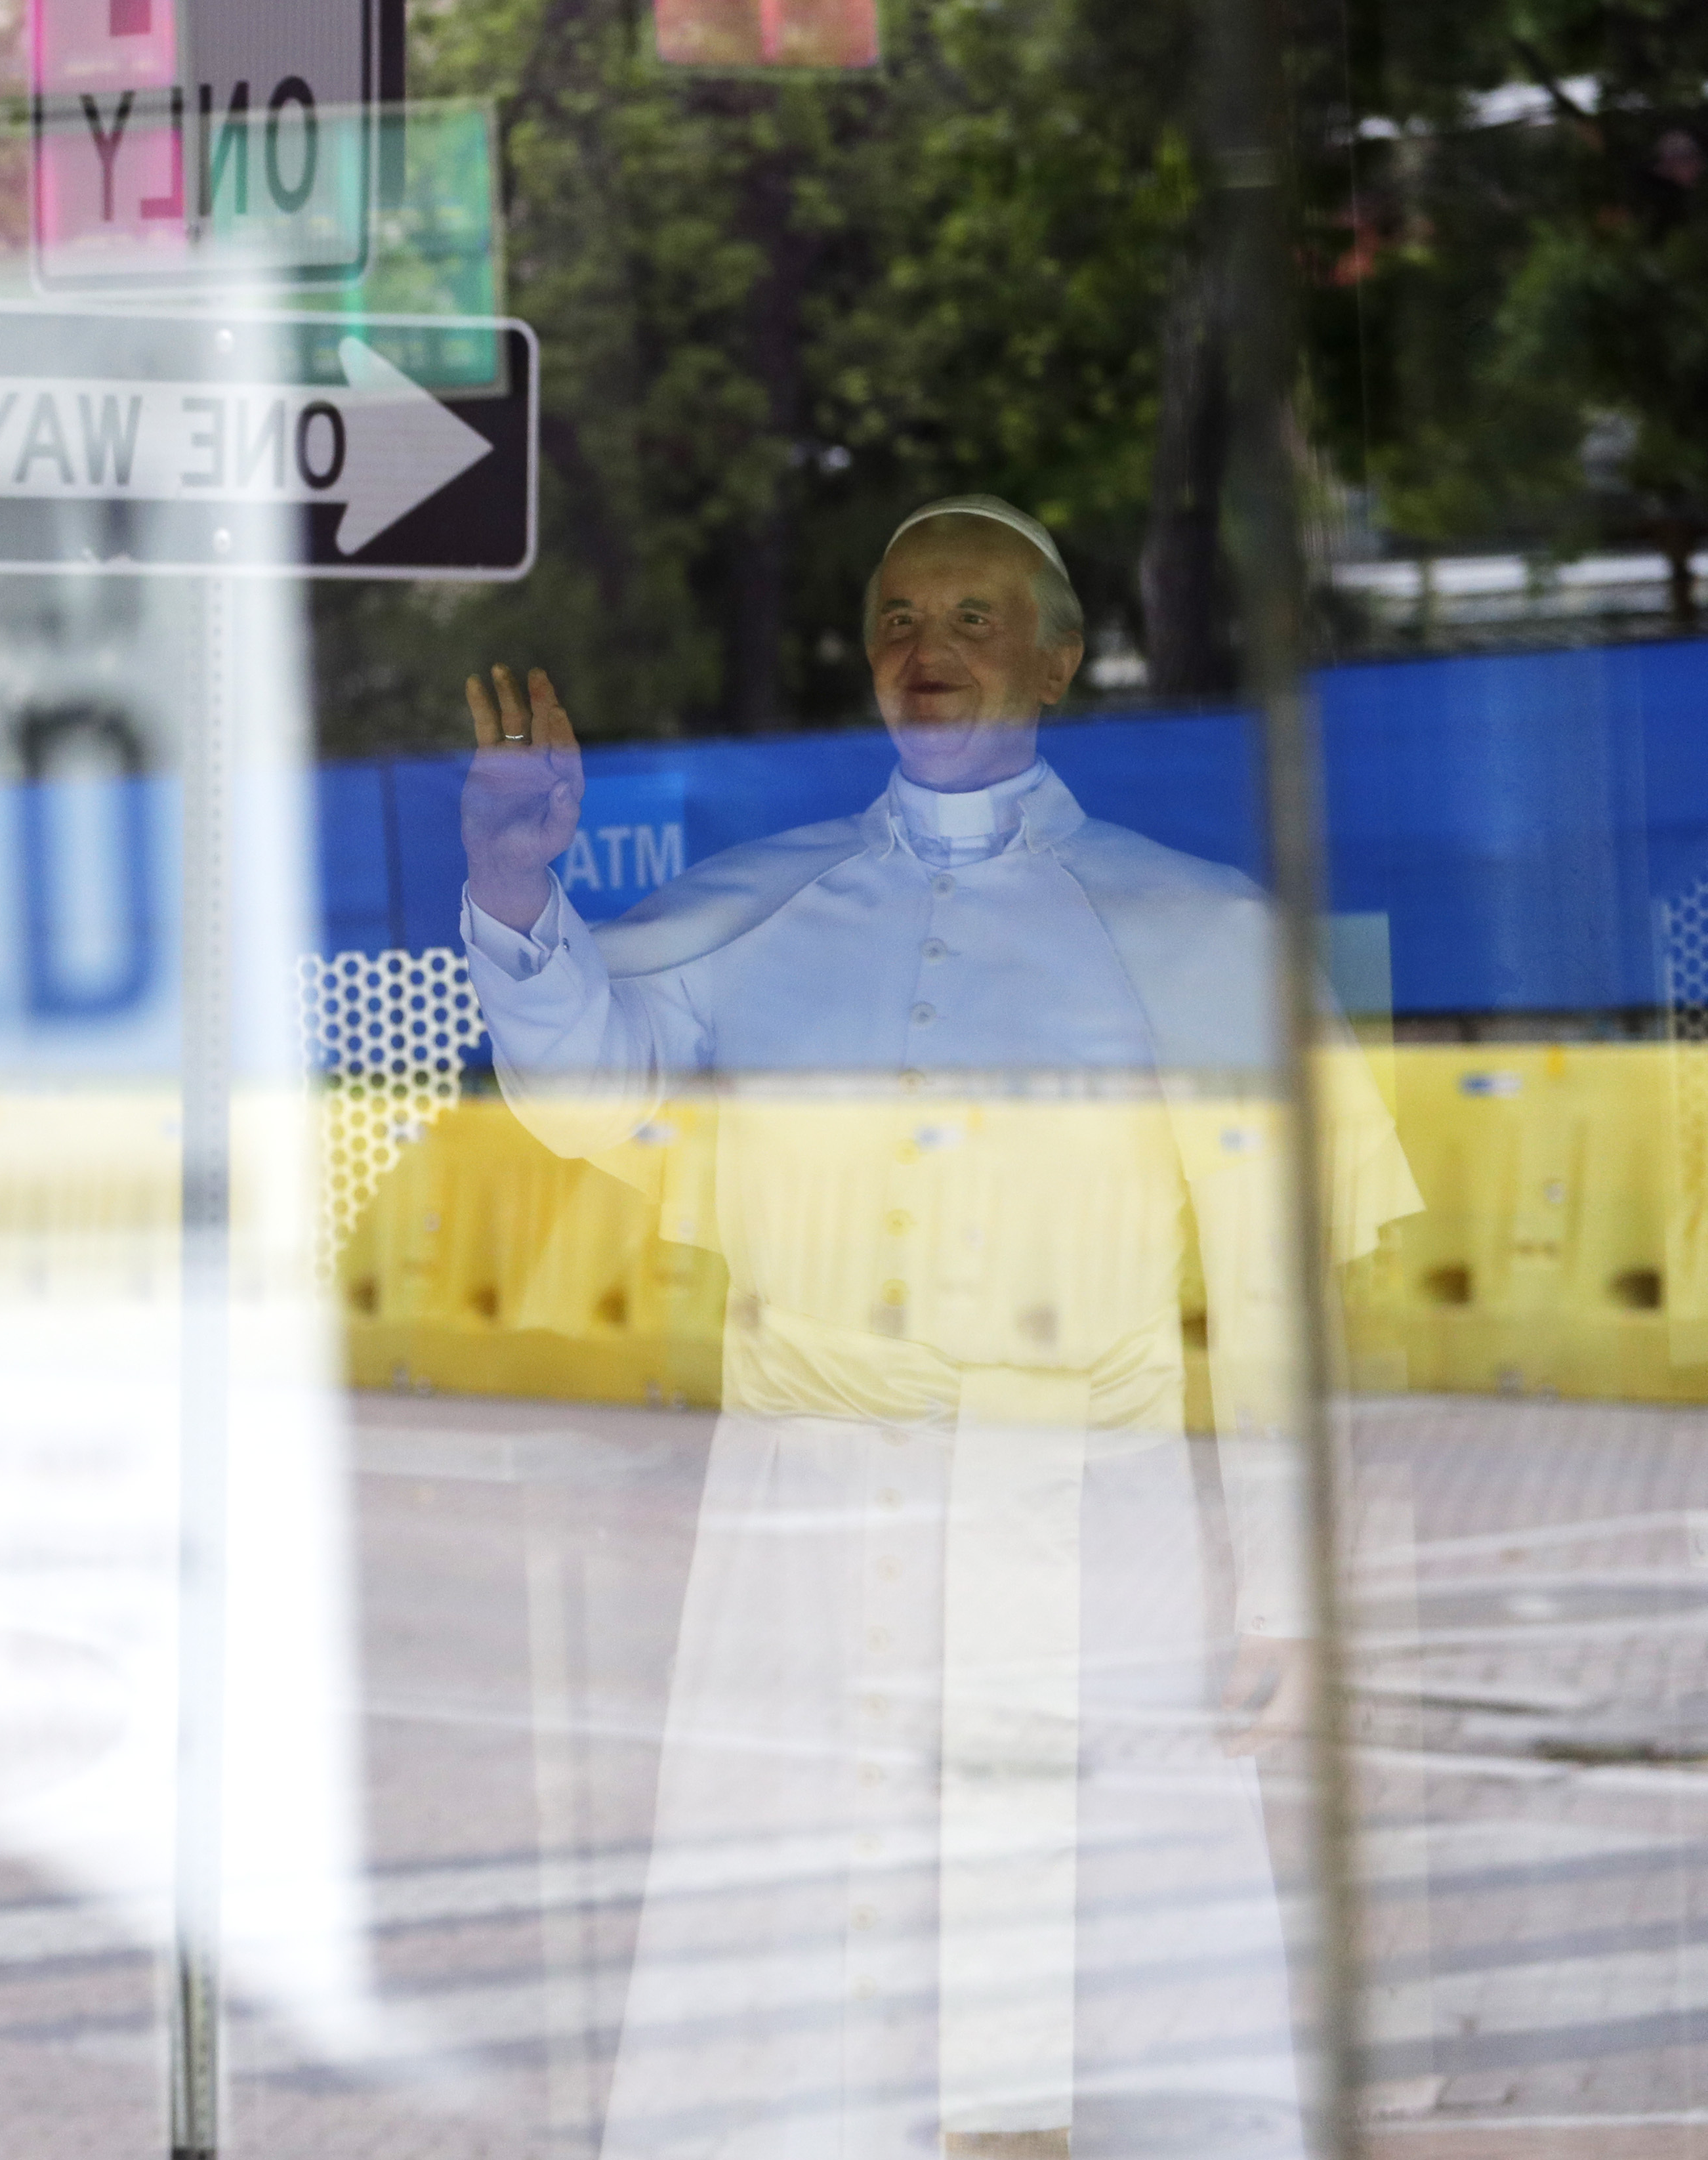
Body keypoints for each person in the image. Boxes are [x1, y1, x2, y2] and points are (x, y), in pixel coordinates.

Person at [461, 497, 1419, 2159]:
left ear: (1060, 657)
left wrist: (1289, 1588)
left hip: (1089, 1509)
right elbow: (581, 1094)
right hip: (806, 1509)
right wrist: (516, 889)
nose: (932, 650)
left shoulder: (1197, 930)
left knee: (1094, 1966)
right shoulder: (761, 901)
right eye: (902, 618)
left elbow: (1276, 1297)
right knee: (802, 1960)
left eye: (978, 619)